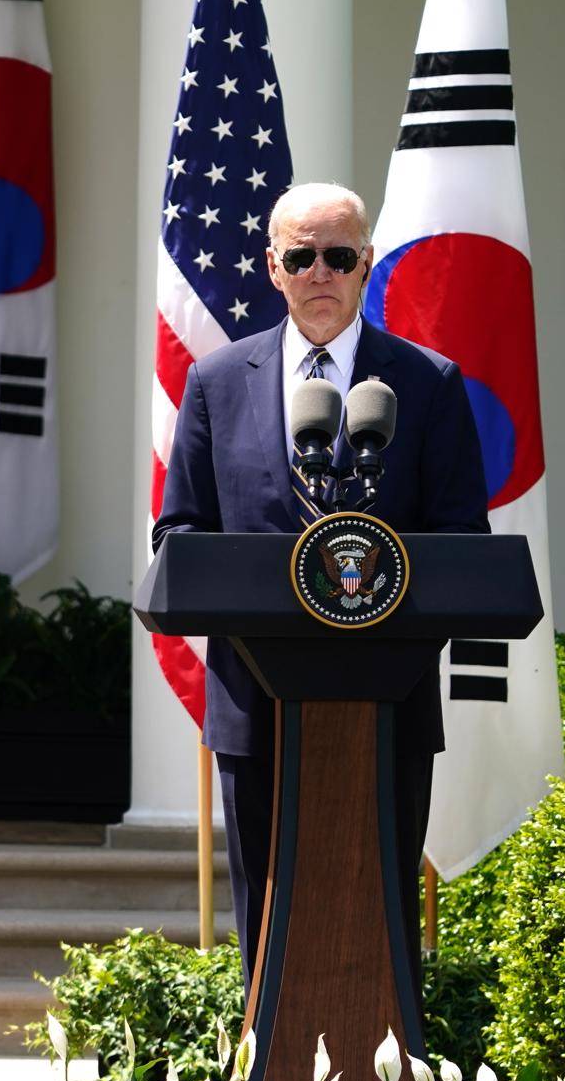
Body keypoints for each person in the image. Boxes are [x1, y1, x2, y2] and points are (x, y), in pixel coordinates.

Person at [152, 181, 488, 990]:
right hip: (254, 704)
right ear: (273, 268)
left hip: (389, 704)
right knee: (267, 943)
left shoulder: (427, 382)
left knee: (379, 934)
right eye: (301, 257)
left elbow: (462, 543)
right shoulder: (220, 380)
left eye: (339, 256)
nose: (320, 273)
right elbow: (181, 534)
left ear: (367, 262)